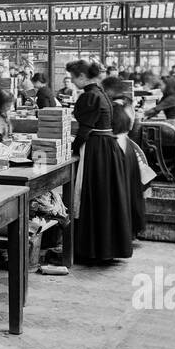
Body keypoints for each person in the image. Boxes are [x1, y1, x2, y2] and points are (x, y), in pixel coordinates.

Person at [68, 62, 141, 264]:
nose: (73, 82)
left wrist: (71, 150)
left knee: (92, 195)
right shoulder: (99, 93)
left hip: (96, 150)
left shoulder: (89, 96)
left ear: (82, 76)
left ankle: (93, 248)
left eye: (74, 77)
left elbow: (84, 130)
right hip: (106, 147)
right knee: (105, 197)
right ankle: (104, 247)